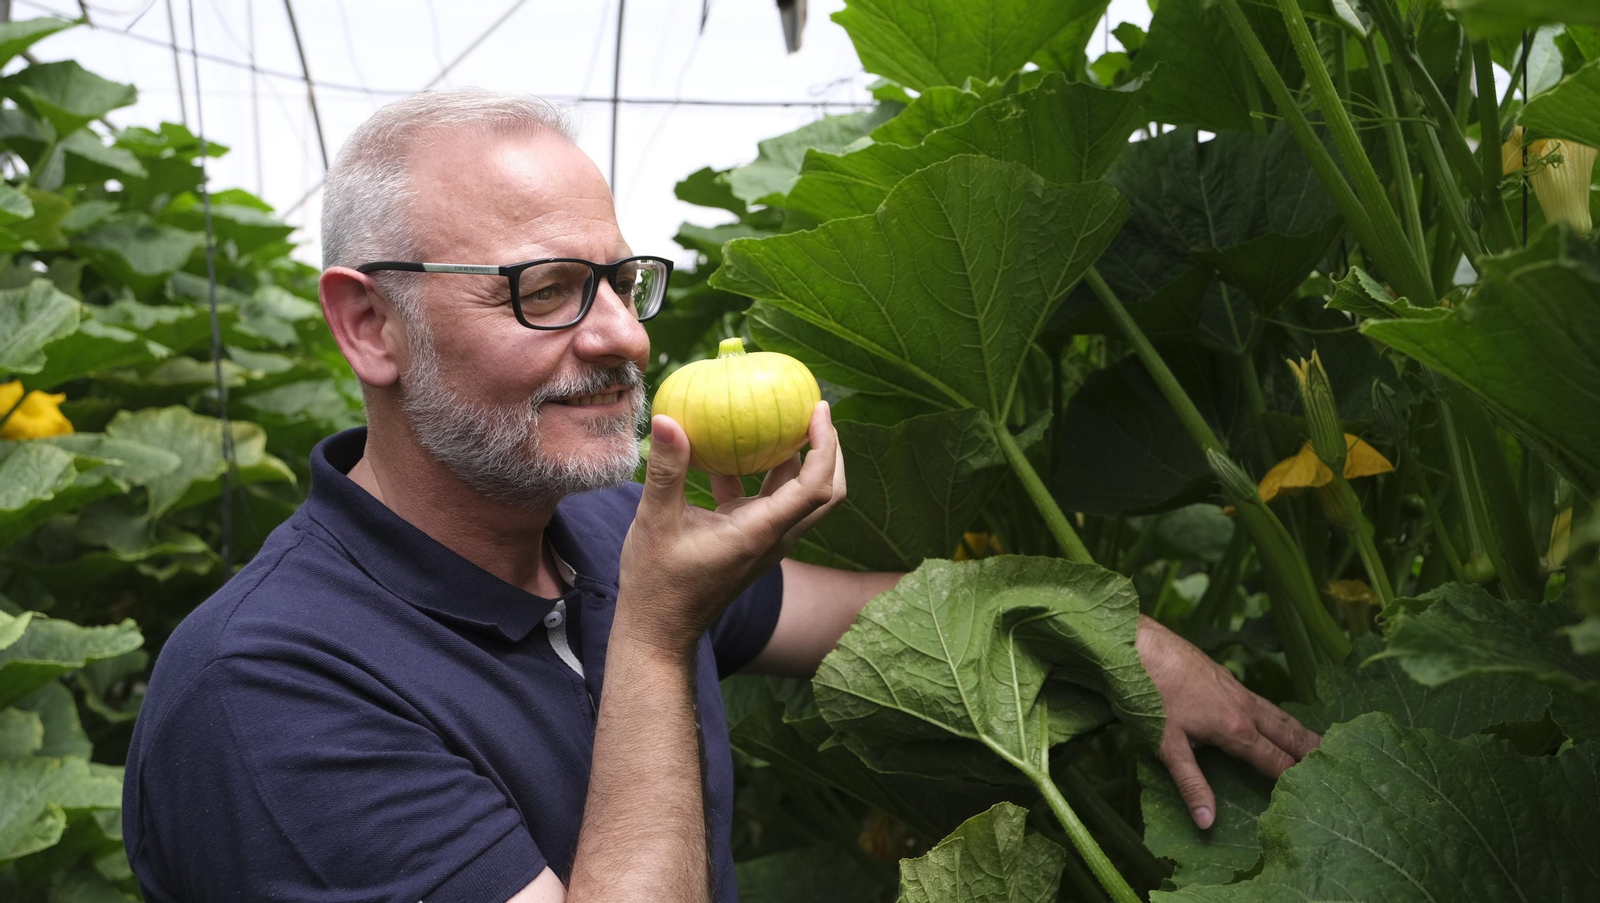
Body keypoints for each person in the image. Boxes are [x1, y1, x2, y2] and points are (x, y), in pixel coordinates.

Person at [122, 90, 1318, 903]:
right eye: (546, 289)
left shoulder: (598, 533)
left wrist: (1120, 640)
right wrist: (654, 634)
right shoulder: (265, 693)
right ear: (369, 324)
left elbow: (879, 616)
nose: (624, 337)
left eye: (621, 280)